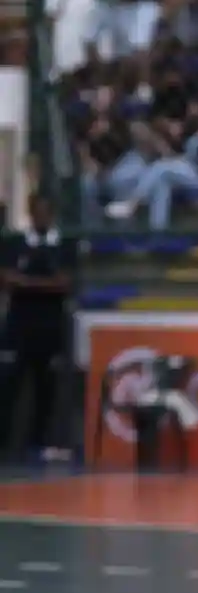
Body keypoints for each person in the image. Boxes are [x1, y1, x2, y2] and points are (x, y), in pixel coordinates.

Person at [0, 197, 76, 462]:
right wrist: (45, 285)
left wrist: (26, 284)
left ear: (52, 215)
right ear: (30, 214)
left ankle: (37, 443)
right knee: (8, 384)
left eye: (45, 213)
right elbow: (6, 279)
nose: (40, 218)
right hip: (17, 325)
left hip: (50, 327)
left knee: (46, 388)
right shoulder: (14, 243)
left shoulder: (64, 245)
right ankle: (5, 444)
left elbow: (64, 284)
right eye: (36, 213)